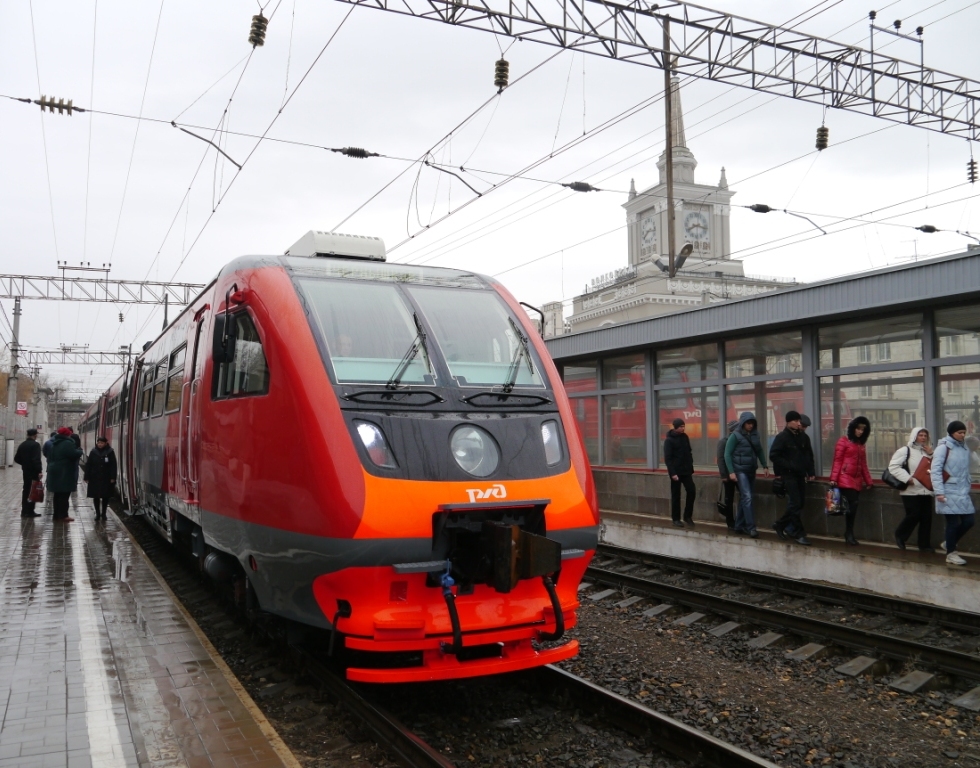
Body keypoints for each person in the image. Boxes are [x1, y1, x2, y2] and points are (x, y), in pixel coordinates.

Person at [932, 420, 975, 566]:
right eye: (959, 432)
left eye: (964, 432)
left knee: (969, 520)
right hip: (947, 490)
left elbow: (967, 467)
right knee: (952, 522)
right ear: (951, 432)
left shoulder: (964, 448)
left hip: (962, 491)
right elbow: (936, 471)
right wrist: (939, 492)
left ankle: (949, 543)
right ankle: (951, 553)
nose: (962, 435)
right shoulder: (943, 447)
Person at [769, 410, 815, 546]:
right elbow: (774, 455)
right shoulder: (782, 437)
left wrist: (810, 471)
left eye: (798, 420)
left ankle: (779, 524)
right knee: (795, 503)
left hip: (800, 474)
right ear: (788, 422)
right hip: (788, 475)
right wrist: (787, 466)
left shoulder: (803, 438)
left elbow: (809, 456)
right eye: (795, 421)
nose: (797, 423)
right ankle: (799, 533)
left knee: (800, 503)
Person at [888, 427, 935, 552]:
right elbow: (893, 466)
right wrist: (907, 478)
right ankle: (900, 535)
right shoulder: (905, 450)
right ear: (914, 436)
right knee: (914, 514)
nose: (923, 438)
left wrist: (931, 454)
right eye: (921, 435)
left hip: (926, 489)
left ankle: (924, 545)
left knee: (926, 517)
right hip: (910, 490)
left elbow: (936, 467)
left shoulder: (928, 451)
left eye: (925, 435)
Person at [829, 416, 873, 546]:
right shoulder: (843, 441)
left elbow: (863, 464)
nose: (860, 432)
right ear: (853, 428)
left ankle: (849, 533)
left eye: (862, 430)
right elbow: (837, 460)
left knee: (852, 506)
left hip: (856, 479)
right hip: (845, 477)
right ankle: (849, 533)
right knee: (853, 503)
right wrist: (833, 478)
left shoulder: (861, 445)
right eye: (858, 429)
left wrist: (868, 481)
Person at [724, 411, 769, 538]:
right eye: (748, 423)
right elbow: (727, 454)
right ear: (743, 423)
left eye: (752, 423)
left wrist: (765, 465)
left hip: (751, 469)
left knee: (746, 498)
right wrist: (731, 472)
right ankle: (751, 527)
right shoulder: (735, 436)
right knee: (747, 497)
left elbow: (759, 450)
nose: (750, 425)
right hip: (740, 470)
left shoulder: (755, 435)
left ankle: (738, 526)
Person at [664, 418, 696, 527]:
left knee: (692, 491)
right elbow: (668, 459)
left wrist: (690, 466)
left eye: (683, 426)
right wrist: (672, 473)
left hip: (686, 471)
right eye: (681, 426)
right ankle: (676, 518)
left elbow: (689, 452)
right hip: (676, 472)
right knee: (676, 495)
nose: (683, 428)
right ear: (675, 427)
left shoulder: (685, 437)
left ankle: (687, 516)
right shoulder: (669, 440)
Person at [47, 427, 83, 522]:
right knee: (64, 495)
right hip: (64, 472)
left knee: (57, 495)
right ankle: (63, 515)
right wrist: (80, 451)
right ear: (68, 434)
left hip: (55, 472)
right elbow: (73, 454)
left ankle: (56, 515)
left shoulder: (55, 443)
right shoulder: (67, 443)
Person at [84, 436, 117, 522]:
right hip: (95, 477)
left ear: (106, 443)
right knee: (96, 496)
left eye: (102, 443)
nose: (100, 444)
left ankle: (104, 513)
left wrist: (113, 477)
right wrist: (86, 476)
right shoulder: (93, 452)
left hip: (106, 478)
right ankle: (98, 514)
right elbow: (89, 465)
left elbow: (113, 465)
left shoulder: (110, 452)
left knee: (105, 496)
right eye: (98, 443)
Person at [715, 420, 739, 530]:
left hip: (738, 473)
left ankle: (738, 520)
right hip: (728, 475)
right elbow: (720, 459)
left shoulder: (739, 441)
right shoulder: (723, 442)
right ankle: (730, 522)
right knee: (729, 498)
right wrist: (724, 475)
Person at [14, 428, 43, 518]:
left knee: (26, 490)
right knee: (33, 490)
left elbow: (16, 459)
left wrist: (25, 464)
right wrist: (39, 470)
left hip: (26, 471)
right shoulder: (35, 445)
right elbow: (36, 459)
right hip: (33, 471)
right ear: (35, 435)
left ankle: (24, 511)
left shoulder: (22, 444)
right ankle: (30, 511)